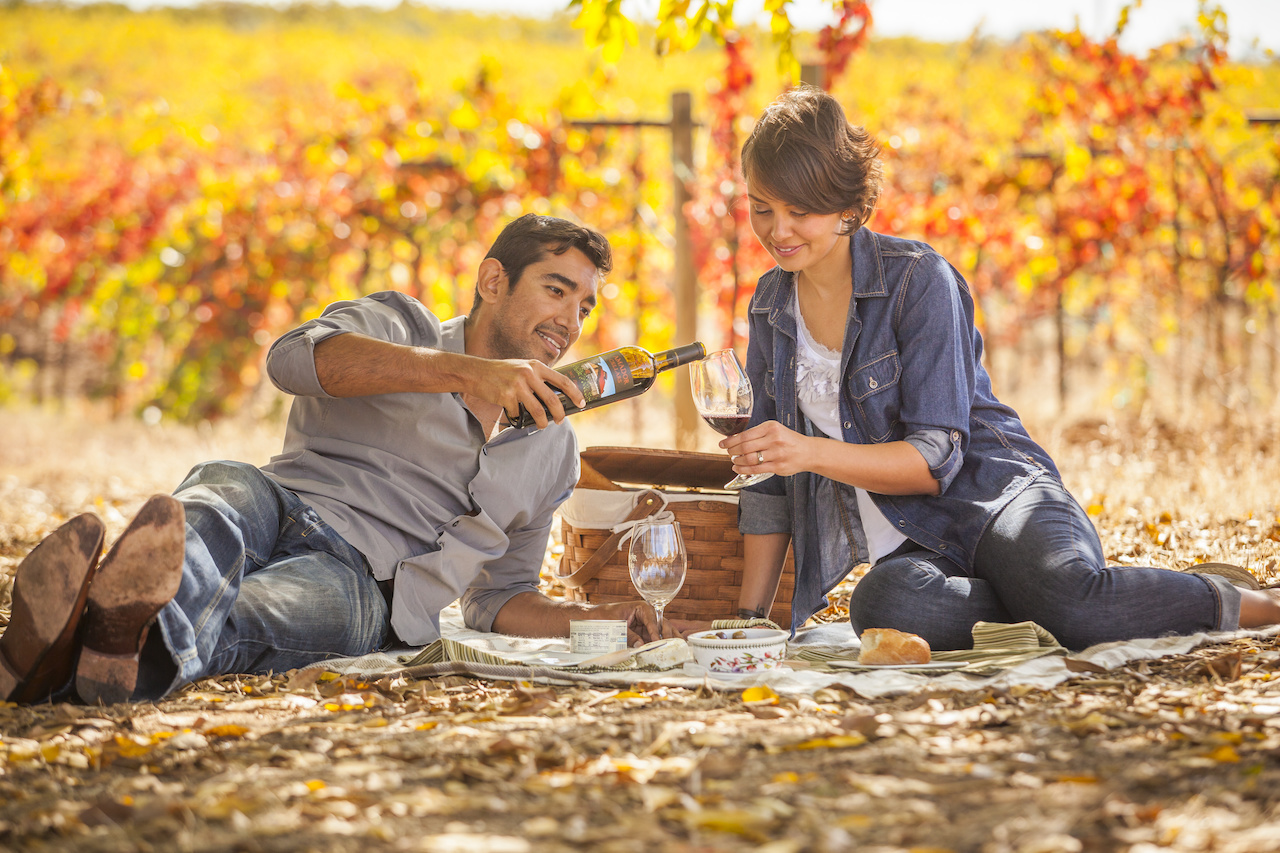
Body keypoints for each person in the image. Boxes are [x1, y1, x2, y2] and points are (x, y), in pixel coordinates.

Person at [0, 213, 663, 706]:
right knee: (221, 488)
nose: (571, 321)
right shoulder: (401, 325)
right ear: (494, 280)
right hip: (278, 501)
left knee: (253, 611)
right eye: (556, 290)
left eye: (584, 306)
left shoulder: (553, 448)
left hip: (366, 582)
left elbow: (499, 598)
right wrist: (469, 373)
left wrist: (596, 619)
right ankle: (110, 636)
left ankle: (85, 636)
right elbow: (292, 360)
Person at [719, 86, 1280, 650]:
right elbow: (768, 480)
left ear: (847, 206)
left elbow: (934, 459)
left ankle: (1249, 603)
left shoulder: (917, 279)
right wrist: (750, 623)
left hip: (1000, 500)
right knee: (885, 605)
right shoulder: (770, 305)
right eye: (762, 208)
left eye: (800, 212)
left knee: (1071, 600)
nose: (778, 231)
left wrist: (808, 451)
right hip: (920, 543)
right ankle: (1073, 601)